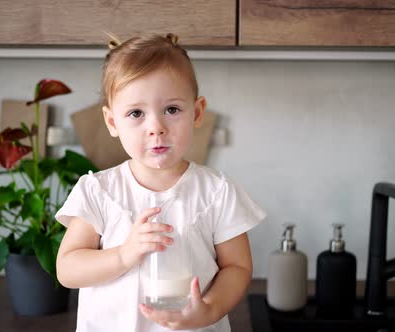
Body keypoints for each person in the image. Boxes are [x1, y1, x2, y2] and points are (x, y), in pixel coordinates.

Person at [55, 33, 266, 332]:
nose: (156, 128)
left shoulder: (217, 191)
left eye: (171, 110)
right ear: (113, 122)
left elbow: (238, 267)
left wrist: (209, 310)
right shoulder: (99, 191)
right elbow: (67, 269)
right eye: (136, 113)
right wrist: (124, 254)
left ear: (197, 112)